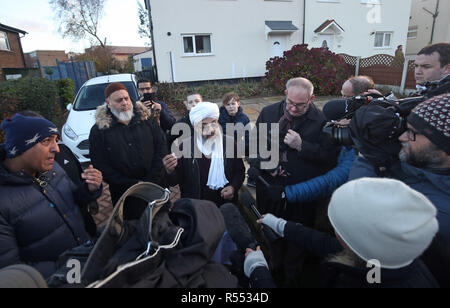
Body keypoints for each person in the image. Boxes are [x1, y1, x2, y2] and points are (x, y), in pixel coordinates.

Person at [244, 178, 440, 288]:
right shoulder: (382, 258)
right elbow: (324, 243)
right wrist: (280, 225)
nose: (334, 231)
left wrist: (258, 271)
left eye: (338, 227)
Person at [350, 93, 450, 287]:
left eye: (412, 132)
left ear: (443, 147)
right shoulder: (425, 165)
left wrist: (366, 155)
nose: (402, 136)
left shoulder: (438, 214)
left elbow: (360, 220)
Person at [249, 77, 339, 287]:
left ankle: (292, 280)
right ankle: (273, 273)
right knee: (272, 235)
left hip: (301, 196)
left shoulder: (321, 120)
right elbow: (252, 149)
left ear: (311, 99)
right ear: (285, 94)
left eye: (300, 104)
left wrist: (302, 146)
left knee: (297, 242)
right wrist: (267, 165)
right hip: (270, 191)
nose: (293, 108)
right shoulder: (269, 113)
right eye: (290, 102)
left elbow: (330, 159)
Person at [0, 114, 103, 279]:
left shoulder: (52, 166)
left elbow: (73, 200)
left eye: (56, 140)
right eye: (46, 141)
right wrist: (71, 268)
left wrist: (89, 189)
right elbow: (13, 274)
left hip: (86, 263)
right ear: (19, 147)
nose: (57, 149)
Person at [89, 82, 167, 220]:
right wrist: (130, 185)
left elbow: (161, 148)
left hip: (154, 186)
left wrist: (150, 180)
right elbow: (100, 164)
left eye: (126, 98)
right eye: (119, 100)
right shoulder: (98, 131)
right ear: (108, 103)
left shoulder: (147, 119)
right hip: (125, 193)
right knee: (132, 229)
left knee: (161, 222)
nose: (124, 103)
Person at [163, 102, 245, 206]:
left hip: (224, 205)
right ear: (194, 126)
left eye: (213, 122)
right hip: (196, 207)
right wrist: (169, 170)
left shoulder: (229, 143)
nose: (210, 129)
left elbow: (240, 171)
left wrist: (233, 187)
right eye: (204, 125)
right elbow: (174, 181)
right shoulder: (185, 146)